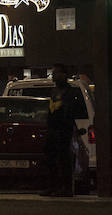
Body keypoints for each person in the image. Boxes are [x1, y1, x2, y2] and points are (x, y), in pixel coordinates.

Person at [42, 63, 80, 196]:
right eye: (53, 73)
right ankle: (53, 186)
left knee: (63, 159)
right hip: (52, 130)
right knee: (51, 159)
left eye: (56, 73)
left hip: (63, 131)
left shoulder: (70, 92)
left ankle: (66, 188)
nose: (53, 75)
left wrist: (62, 126)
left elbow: (68, 112)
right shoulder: (54, 91)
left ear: (64, 75)